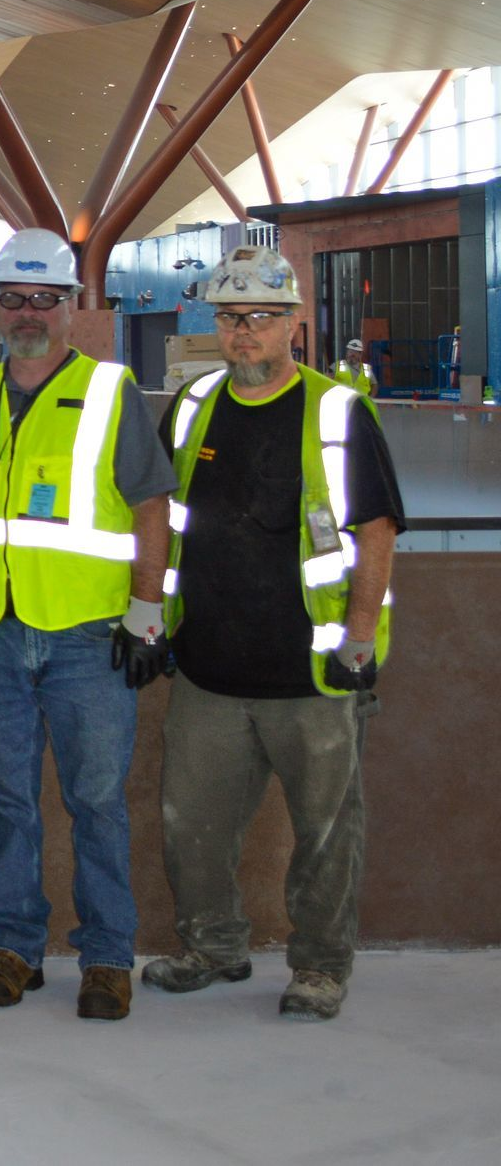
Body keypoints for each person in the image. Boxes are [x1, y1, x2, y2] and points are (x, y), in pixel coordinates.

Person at [0, 228, 176, 1021]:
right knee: (3, 795)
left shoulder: (110, 392)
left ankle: (105, 955)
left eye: (45, 299)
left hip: (85, 633)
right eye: (13, 298)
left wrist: (146, 610)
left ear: (72, 308)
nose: (27, 312)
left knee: (97, 797)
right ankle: (14, 945)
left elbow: (150, 506)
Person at [143, 247, 403, 1021]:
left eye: (260, 317)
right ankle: (213, 944)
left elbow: (377, 525)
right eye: (230, 318)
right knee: (191, 825)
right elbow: (160, 522)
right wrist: (153, 614)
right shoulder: (191, 409)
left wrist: (359, 633)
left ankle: (320, 965)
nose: (244, 333)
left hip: (311, 674)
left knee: (325, 831)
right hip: (208, 670)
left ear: (295, 323)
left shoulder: (336, 411)